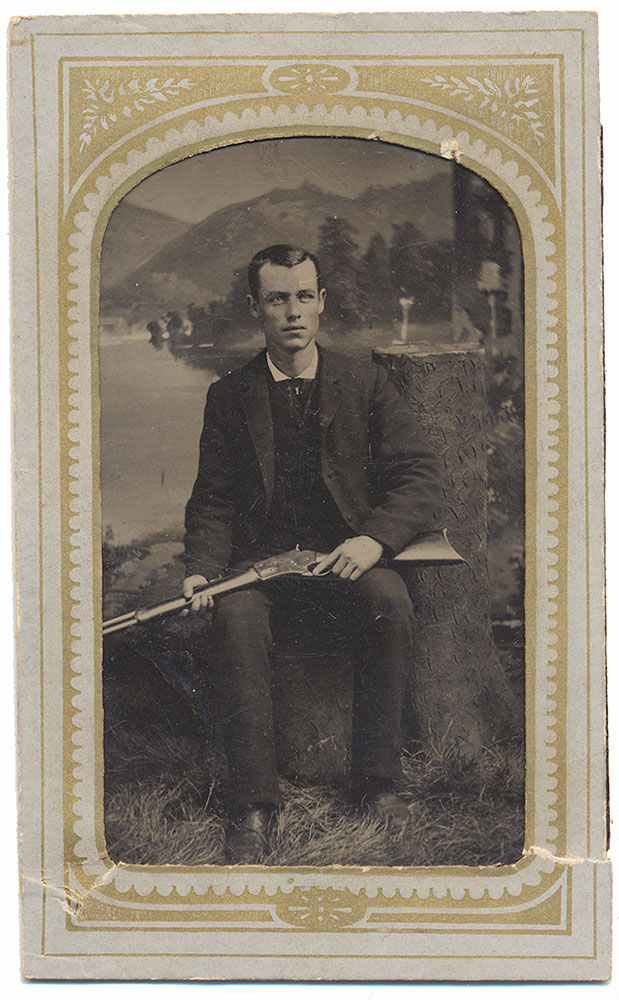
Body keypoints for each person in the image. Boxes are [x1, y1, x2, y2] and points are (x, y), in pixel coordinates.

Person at [182, 244, 443, 862]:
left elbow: (421, 475)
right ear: (257, 309)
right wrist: (200, 569)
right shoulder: (229, 395)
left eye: (304, 296)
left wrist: (373, 539)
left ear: (322, 303)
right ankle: (253, 805)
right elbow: (213, 501)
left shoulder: (366, 381)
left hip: (348, 557)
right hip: (261, 566)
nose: (293, 312)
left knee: (391, 604)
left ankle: (378, 785)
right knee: (235, 619)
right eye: (277, 299)